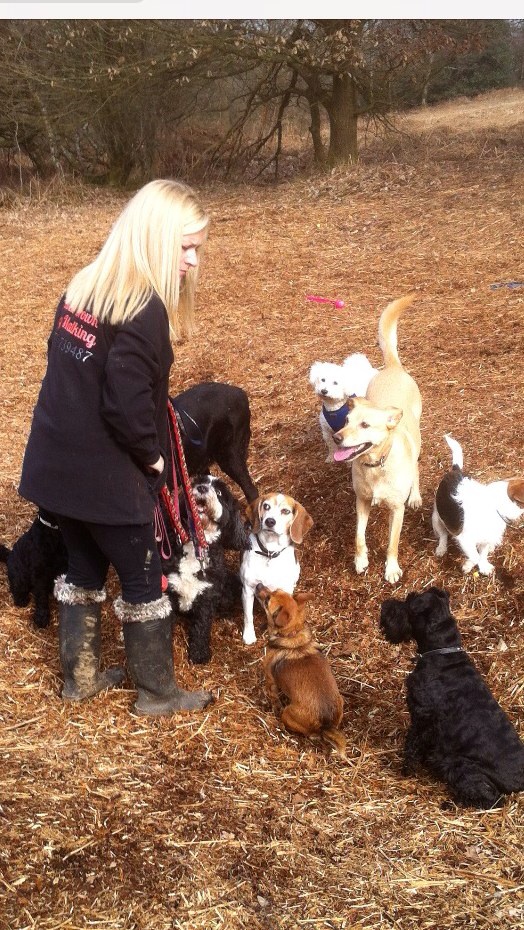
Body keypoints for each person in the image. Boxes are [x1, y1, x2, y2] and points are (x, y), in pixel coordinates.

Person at [19, 179, 213, 716]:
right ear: (155, 238)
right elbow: (125, 406)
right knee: (142, 576)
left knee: (82, 566)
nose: (193, 261)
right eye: (185, 247)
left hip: (58, 474)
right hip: (106, 479)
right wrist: (154, 459)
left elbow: (65, 374)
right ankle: (158, 693)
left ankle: (79, 678)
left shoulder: (85, 287)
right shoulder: (143, 310)